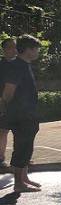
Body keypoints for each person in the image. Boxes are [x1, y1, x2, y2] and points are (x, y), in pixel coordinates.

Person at [0, 35, 42, 193]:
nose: (37, 52)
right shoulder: (17, 66)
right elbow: (8, 91)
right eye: (36, 49)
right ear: (28, 50)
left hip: (28, 114)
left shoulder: (25, 65)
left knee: (27, 146)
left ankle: (24, 177)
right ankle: (18, 183)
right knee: (21, 147)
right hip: (20, 115)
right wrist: (4, 109)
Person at [0, 37, 18, 170]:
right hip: (3, 102)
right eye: (10, 47)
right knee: (3, 131)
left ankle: (21, 159)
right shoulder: (1, 65)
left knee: (20, 132)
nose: (13, 50)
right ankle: (1, 158)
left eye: (15, 47)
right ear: (4, 49)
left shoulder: (22, 64)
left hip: (20, 103)